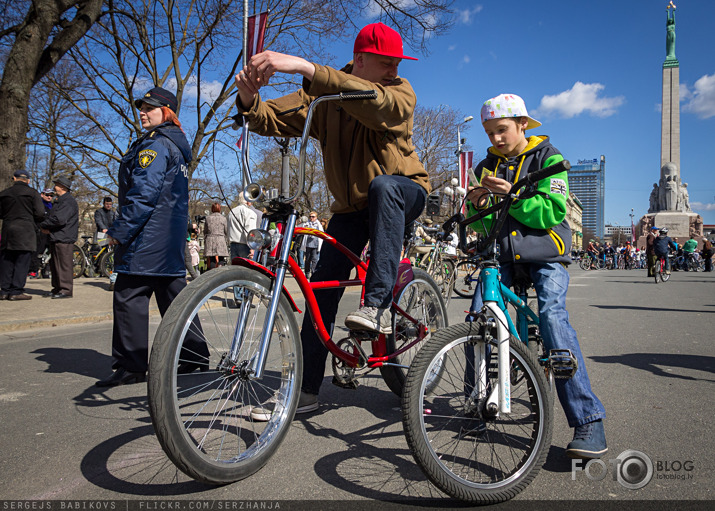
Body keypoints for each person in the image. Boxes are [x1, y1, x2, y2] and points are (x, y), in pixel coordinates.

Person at [235, 22, 430, 413]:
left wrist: (305, 67)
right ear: (360, 59)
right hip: (350, 210)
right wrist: (248, 97)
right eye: (387, 61)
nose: (395, 68)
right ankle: (304, 392)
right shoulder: (320, 99)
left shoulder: (398, 90)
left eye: (397, 62)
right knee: (319, 291)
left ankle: (376, 305)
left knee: (384, 186)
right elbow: (267, 119)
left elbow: (378, 106)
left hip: (404, 192)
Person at [465, 93, 607, 460]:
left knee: (552, 319)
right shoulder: (485, 166)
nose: (495, 139)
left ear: (522, 125)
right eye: (489, 132)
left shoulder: (549, 157)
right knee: (479, 315)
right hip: (504, 256)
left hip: (546, 253)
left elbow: (550, 212)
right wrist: (479, 205)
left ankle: (587, 419)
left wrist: (512, 195)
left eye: (502, 130)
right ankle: (475, 399)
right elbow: (483, 224)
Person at [96, 86, 208, 387]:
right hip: (167, 238)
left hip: (146, 238)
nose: (142, 112)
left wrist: (119, 232)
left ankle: (131, 365)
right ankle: (196, 357)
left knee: (129, 296)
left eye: (150, 107)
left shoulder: (155, 146)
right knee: (175, 299)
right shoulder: (175, 146)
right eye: (141, 107)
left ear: (167, 112)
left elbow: (143, 195)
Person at [0, 170, 46, 300]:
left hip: (8, 230)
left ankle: (4, 291)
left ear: (14, 178)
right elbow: (40, 213)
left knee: (7, 260)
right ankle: (16, 291)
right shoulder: (32, 193)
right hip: (26, 231)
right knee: (22, 260)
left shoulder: (4, 194)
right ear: (28, 181)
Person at [39, 176, 79, 299]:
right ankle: (57, 288)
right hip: (57, 236)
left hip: (64, 237)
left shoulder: (68, 201)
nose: (54, 187)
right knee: (55, 264)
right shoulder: (60, 200)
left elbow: (59, 219)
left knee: (63, 265)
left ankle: (66, 290)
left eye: (56, 184)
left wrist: (44, 226)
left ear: (62, 187)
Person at [29, 188, 55, 279]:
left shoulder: (53, 206)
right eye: (47, 195)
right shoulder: (39, 205)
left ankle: (46, 271)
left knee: (49, 252)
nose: (49, 197)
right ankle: (33, 270)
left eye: (51, 195)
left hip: (50, 232)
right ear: (42, 194)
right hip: (40, 231)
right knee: (38, 251)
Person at [227, 193, 257, 261]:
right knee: (246, 270)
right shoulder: (249, 213)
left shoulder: (231, 212)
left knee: (235, 269)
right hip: (245, 246)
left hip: (233, 245)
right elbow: (250, 231)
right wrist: (252, 248)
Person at [203, 202, 229, 270]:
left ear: (212, 209)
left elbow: (205, 231)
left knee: (212, 259)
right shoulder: (223, 218)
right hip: (220, 239)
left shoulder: (208, 218)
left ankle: (212, 273)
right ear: (219, 209)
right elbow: (226, 231)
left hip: (210, 239)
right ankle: (220, 271)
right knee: (221, 258)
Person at [302, 211, 323, 279]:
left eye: (313, 217)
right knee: (307, 260)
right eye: (310, 216)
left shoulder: (318, 224)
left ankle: (314, 273)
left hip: (315, 245)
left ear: (316, 217)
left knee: (314, 260)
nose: (311, 218)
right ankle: (307, 272)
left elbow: (321, 233)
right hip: (308, 245)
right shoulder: (307, 224)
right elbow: (302, 230)